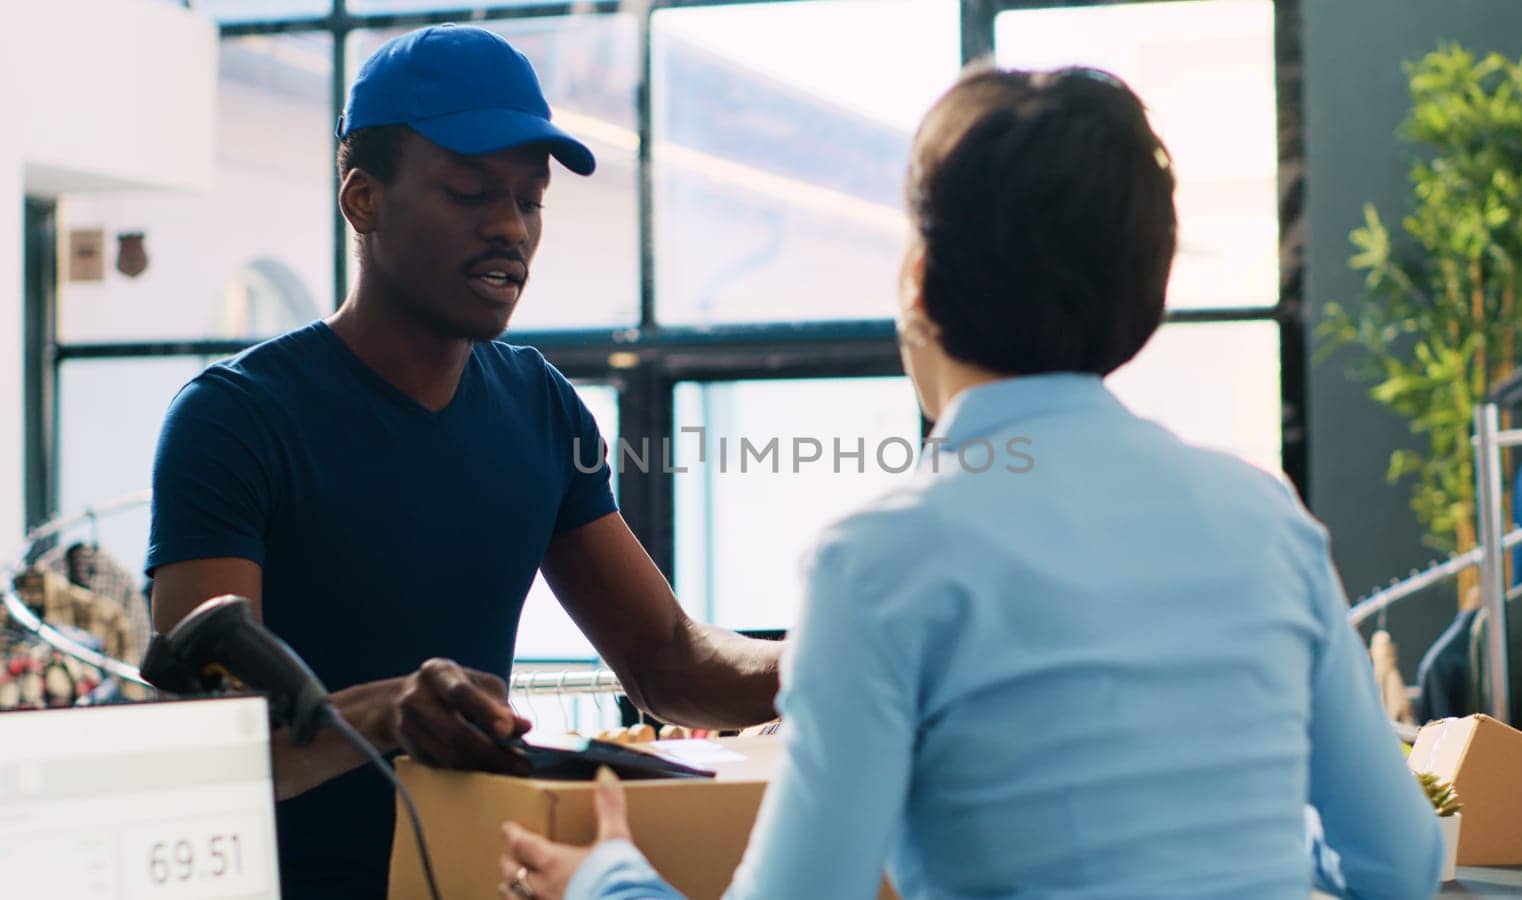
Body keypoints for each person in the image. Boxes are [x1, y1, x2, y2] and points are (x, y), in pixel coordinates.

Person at [497, 66, 1445, 900]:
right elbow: (1399, 866)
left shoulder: (880, 560)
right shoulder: (1264, 518)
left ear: (917, 278)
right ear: (1147, 294)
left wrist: (605, 884)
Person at [145, 24, 781, 900]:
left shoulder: (539, 404)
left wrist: (834, 663)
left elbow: (667, 661)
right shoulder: (236, 420)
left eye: (531, 198)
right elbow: (195, 748)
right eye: (470, 192)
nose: (510, 228)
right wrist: (384, 712)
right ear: (362, 199)